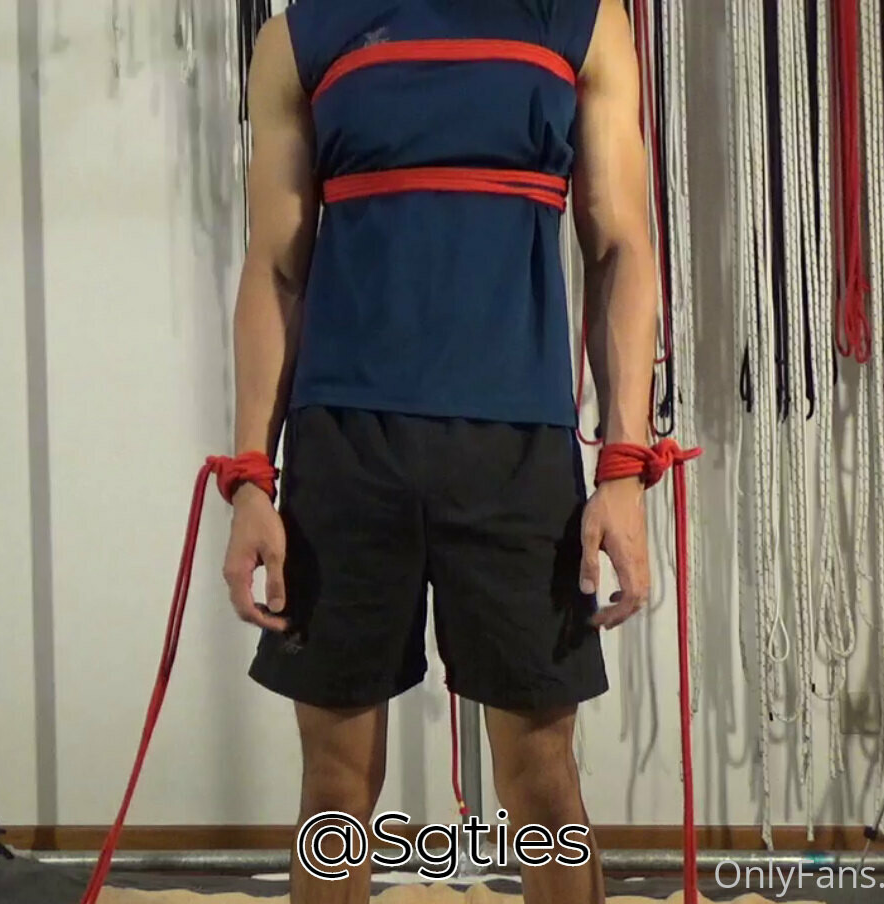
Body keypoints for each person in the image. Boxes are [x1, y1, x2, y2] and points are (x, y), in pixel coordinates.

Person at [222, 1, 658, 902]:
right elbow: (275, 265)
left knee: (543, 783)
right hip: (344, 449)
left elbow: (620, 246)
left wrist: (624, 466)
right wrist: (250, 478)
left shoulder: (581, 23)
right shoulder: (299, 37)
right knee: (335, 790)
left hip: (517, 451)